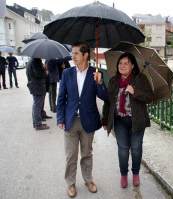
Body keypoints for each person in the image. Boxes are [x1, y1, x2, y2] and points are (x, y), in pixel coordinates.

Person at [56, 42, 108, 198]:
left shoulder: (96, 73)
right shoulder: (67, 73)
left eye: (76, 53)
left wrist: (99, 83)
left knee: (87, 153)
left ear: (85, 55)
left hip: (88, 120)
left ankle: (88, 179)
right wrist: (60, 118)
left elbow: (105, 97)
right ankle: (70, 183)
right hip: (70, 120)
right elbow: (61, 98)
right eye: (72, 53)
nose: (73, 56)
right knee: (70, 155)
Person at [102, 52, 154, 188]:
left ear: (132, 66)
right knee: (123, 149)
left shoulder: (140, 79)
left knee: (136, 149)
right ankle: (124, 174)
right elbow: (108, 101)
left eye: (126, 63)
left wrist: (134, 91)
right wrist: (105, 119)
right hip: (120, 121)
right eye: (120, 63)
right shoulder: (114, 81)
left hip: (137, 121)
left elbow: (150, 97)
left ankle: (135, 173)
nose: (122, 66)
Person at [26, 58, 50, 130]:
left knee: (38, 104)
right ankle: (38, 124)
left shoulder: (33, 60)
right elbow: (38, 74)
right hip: (37, 86)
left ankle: (40, 118)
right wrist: (45, 70)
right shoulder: (35, 61)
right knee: (37, 105)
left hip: (36, 86)